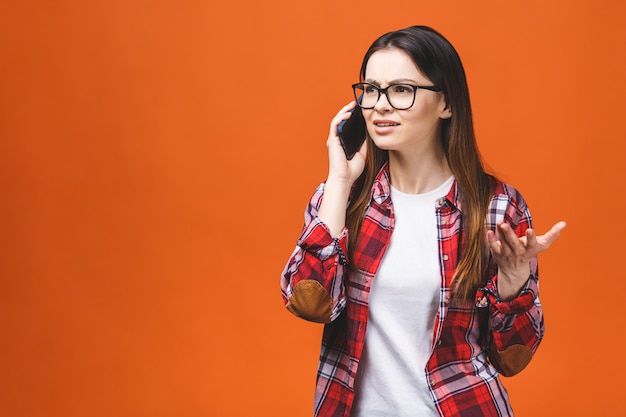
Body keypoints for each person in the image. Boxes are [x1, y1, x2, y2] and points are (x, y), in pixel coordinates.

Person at [280, 25, 566, 417]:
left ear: (446, 103)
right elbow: (309, 303)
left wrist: (513, 286)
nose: (379, 105)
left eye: (401, 89)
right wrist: (341, 180)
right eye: (370, 89)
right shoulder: (341, 199)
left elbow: (512, 360)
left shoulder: (496, 207)